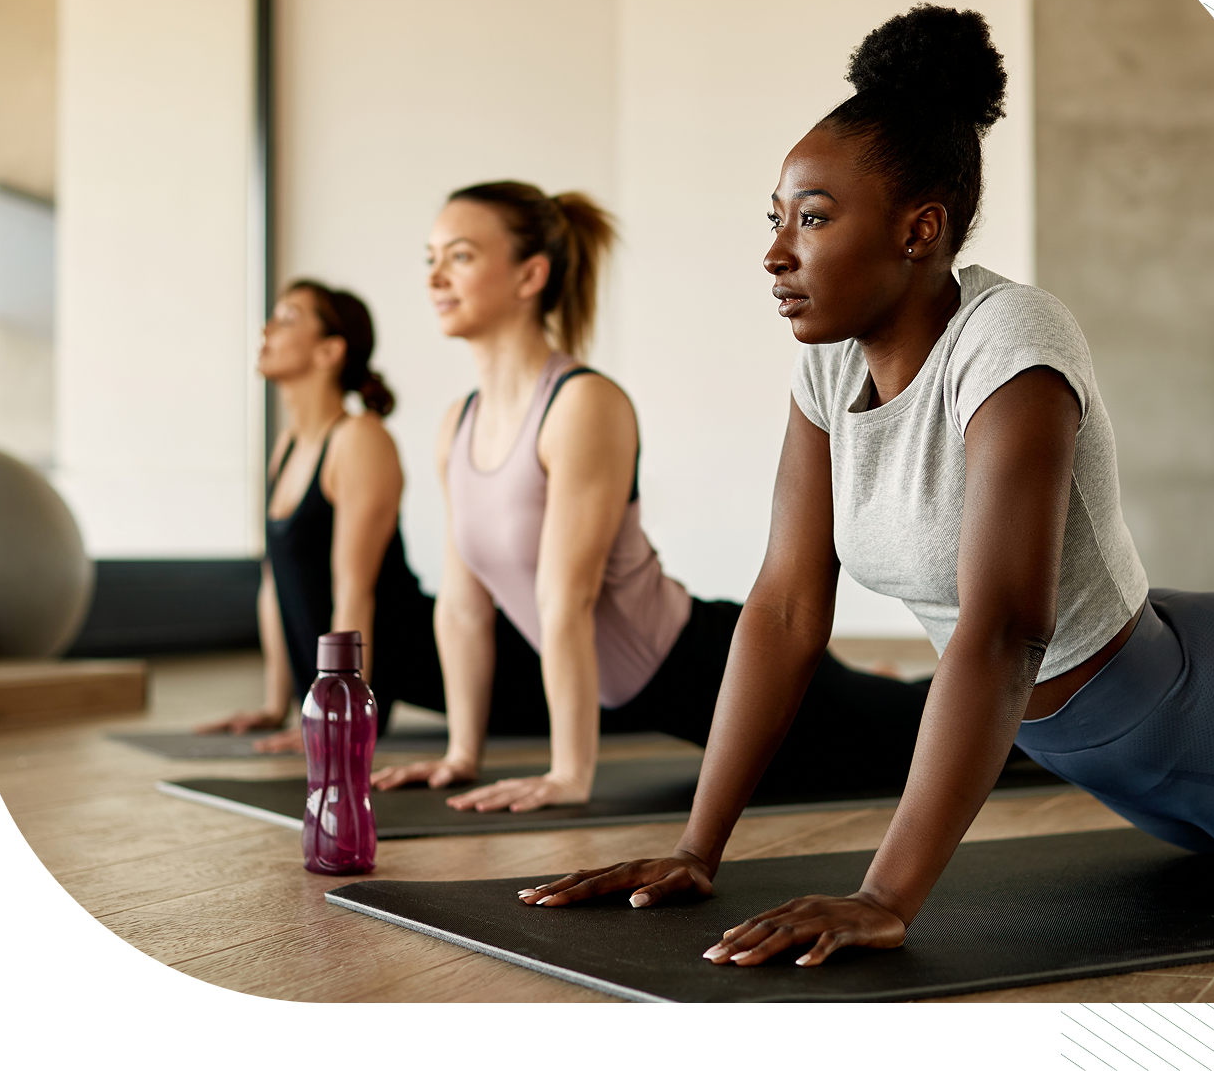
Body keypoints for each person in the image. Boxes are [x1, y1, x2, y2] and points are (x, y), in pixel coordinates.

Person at [515, 5, 1214, 966]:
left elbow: (1007, 628)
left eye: (813, 218)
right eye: (775, 219)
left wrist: (884, 894)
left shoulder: (1012, 342)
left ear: (920, 230)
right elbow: (788, 605)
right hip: (1125, 772)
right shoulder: (830, 371)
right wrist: (694, 846)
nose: (775, 253)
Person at [369, 181, 937, 811]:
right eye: (431, 257)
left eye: (462, 256)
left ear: (531, 274)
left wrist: (568, 774)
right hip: (650, 696)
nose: (436, 277)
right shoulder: (459, 423)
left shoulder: (580, 404)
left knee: (934, 736)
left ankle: (1030, 699)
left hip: (711, 668)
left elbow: (566, 599)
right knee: (907, 721)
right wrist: (460, 755)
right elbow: (462, 606)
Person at [198, 279, 545, 752]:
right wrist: (274, 704)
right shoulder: (287, 447)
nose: (267, 329)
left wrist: (342, 716)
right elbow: (275, 584)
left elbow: (353, 591)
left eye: (288, 318)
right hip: (380, 672)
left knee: (610, 702)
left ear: (329, 351)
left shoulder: (360, 440)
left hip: (455, 663)